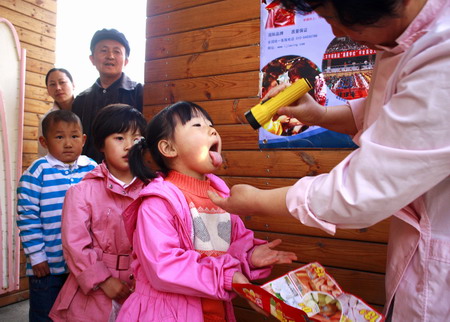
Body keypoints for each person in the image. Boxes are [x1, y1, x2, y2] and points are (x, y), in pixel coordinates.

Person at [209, 0, 450, 320]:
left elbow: (361, 190)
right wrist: (320, 114)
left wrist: (256, 205)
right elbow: (390, 114)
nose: (336, 32)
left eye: (333, 18)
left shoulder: (442, 54)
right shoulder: (164, 196)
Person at [116, 101, 297, 321]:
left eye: (211, 125)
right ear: (169, 148)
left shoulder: (222, 197)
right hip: (166, 314)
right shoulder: (157, 203)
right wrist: (229, 278)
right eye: (197, 125)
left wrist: (249, 257)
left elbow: (231, 247)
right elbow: (164, 266)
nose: (212, 130)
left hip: (215, 312)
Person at [49, 104, 147, 322]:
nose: (129, 146)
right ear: (101, 143)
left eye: (137, 139)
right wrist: (104, 280)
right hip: (95, 292)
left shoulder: (154, 189)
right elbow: (75, 245)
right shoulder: (81, 192)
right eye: (119, 138)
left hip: (143, 286)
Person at [17, 110, 97, 321]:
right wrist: (37, 256)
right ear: (44, 141)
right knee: (45, 313)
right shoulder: (37, 172)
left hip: (82, 264)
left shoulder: (91, 169)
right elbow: (27, 217)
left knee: (78, 312)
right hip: (48, 265)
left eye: (74, 136)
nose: (68, 143)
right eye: (59, 137)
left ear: (84, 139)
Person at [72, 28, 143, 163]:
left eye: (117, 51)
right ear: (92, 59)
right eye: (103, 50)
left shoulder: (139, 92)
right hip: (91, 175)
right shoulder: (81, 100)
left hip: (131, 173)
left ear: (126, 61)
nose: (110, 56)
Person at [38, 68, 75, 157]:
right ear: (48, 90)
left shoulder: (88, 107)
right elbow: (44, 153)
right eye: (52, 84)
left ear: (73, 84)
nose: (58, 88)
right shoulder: (46, 119)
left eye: (62, 82)